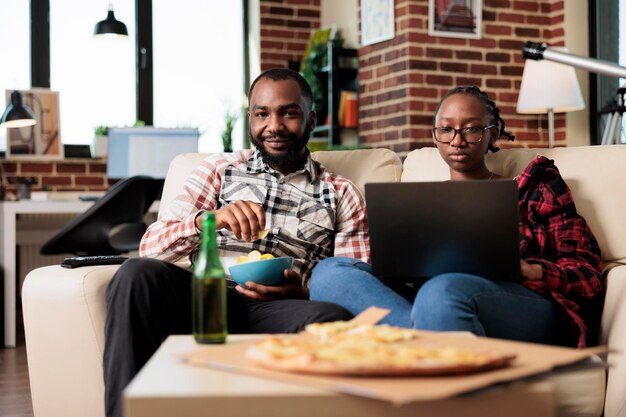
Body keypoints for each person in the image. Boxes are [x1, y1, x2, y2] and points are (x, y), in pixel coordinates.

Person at [103, 68, 369, 417]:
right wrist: (206, 221)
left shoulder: (340, 192)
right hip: (206, 294)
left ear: (311, 119)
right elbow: (150, 246)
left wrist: (304, 292)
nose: (273, 126)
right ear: (250, 118)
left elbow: (357, 279)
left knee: (331, 316)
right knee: (136, 275)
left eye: (288, 113)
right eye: (262, 114)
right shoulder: (219, 170)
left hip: (282, 308)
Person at [309, 85, 604, 349]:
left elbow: (589, 277)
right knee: (330, 273)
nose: (457, 140)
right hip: (431, 299)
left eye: (472, 129)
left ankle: (416, 343)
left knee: (443, 290)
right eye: (446, 129)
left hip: (521, 305)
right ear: (436, 135)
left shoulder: (536, 187)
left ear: (493, 132)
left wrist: (532, 269)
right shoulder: (420, 205)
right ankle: (427, 337)